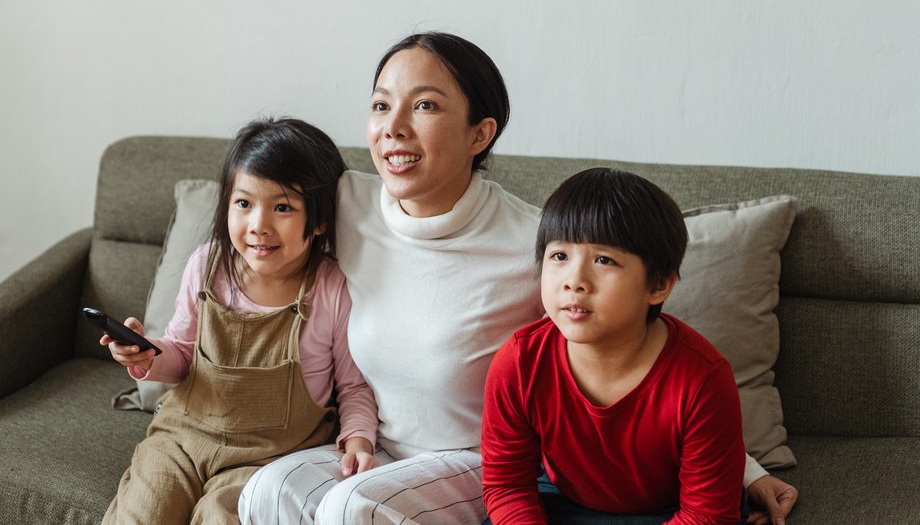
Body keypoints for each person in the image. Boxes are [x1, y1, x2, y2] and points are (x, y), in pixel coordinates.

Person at [238, 32, 798, 525]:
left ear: (480, 134)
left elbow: (633, 345)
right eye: (381, 105)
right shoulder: (345, 204)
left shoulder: (540, 247)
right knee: (269, 490)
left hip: (481, 460)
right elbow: (250, 231)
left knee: (352, 509)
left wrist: (742, 469)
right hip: (373, 444)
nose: (393, 129)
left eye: (425, 105)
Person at [99, 117, 378, 525]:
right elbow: (181, 353)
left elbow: (353, 385)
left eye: (282, 207)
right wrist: (146, 354)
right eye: (244, 203)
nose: (258, 225)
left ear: (319, 221)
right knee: (144, 512)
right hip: (182, 439)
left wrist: (358, 440)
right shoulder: (206, 267)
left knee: (221, 517)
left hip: (268, 457)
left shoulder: (331, 289)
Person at [482, 167, 747, 524]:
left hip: (671, 513)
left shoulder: (703, 378)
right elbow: (508, 485)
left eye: (604, 260)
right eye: (559, 256)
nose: (574, 281)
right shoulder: (519, 362)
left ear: (659, 285)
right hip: (563, 503)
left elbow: (706, 514)